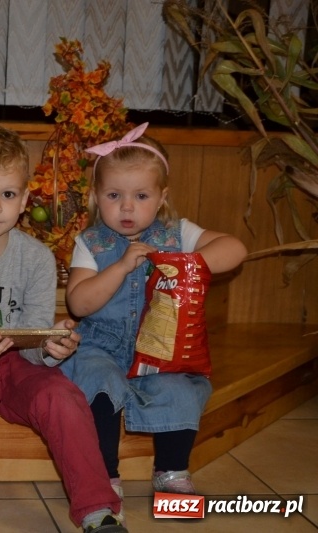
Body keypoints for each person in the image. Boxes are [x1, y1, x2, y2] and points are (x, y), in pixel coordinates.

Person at [0, 124, 126, 533]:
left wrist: (51, 346)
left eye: (7, 194)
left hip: (18, 361)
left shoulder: (37, 259)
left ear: (25, 201)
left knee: (62, 394)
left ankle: (98, 510)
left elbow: (32, 338)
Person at [62, 123, 248, 513]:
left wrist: (186, 264)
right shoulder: (91, 243)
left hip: (164, 345)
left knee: (180, 388)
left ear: (161, 198)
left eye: (141, 195)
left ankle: (172, 473)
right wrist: (120, 267)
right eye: (114, 195)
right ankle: (104, 475)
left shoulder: (178, 233)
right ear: (97, 197)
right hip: (101, 344)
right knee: (99, 382)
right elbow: (79, 304)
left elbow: (235, 249)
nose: (127, 207)